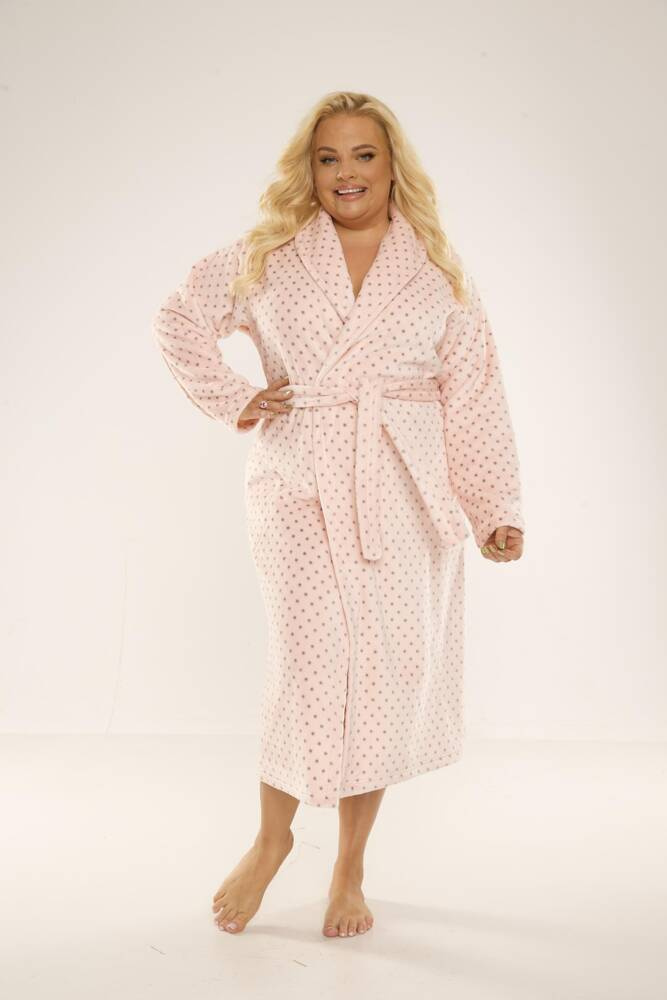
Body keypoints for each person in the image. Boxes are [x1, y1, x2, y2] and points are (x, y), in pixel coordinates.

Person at [153, 90, 526, 939]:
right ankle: (272, 838)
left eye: (363, 155)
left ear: (392, 166)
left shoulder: (438, 269)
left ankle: (350, 867)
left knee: (383, 676)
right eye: (328, 158)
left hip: (404, 489)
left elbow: (473, 396)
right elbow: (178, 318)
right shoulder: (271, 254)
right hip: (298, 480)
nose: (345, 173)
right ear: (308, 169)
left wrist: (492, 510)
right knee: (309, 661)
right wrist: (237, 397)